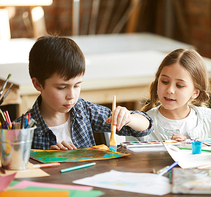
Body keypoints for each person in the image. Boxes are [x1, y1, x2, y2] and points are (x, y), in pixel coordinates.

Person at [16, 35, 153, 150]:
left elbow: (145, 127)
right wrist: (44, 157)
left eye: (77, 86)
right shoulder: (21, 129)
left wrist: (129, 118)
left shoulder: (85, 111)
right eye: (62, 87)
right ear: (38, 84)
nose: (72, 95)